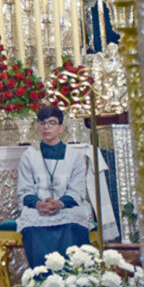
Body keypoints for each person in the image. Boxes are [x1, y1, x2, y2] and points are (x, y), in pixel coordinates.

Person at [16, 105, 93, 268]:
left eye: (52, 122)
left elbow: (77, 190)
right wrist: (39, 204)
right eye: (42, 123)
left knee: (73, 225)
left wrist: (59, 203)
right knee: (32, 228)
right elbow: (24, 190)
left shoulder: (75, 156)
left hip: (66, 207)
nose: (46, 127)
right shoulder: (29, 155)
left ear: (61, 127)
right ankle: (41, 281)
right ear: (37, 127)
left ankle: (73, 280)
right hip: (38, 208)